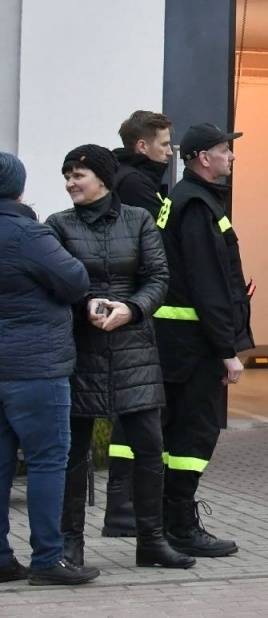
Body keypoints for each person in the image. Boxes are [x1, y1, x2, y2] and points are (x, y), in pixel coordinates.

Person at [46, 145, 193, 571]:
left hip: (134, 350)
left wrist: (132, 309)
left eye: (79, 174)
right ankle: (70, 545)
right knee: (74, 454)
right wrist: (86, 304)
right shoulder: (58, 225)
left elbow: (157, 276)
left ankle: (151, 541)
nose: (71, 182)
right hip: (81, 351)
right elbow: (56, 281)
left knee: (149, 448)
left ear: (104, 178)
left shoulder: (140, 219)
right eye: (67, 175)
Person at [154, 123, 252, 558]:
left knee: (177, 435)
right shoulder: (196, 205)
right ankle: (179, 526)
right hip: (193, 346)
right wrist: (226, 349)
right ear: (201, 158)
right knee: (193, 437)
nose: (231, 157)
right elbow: (208, 283)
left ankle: (167, 522)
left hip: (180, 342)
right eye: (223, 150)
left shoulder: (188, 199)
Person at [0, 152, 97, 587]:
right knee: (46, 462)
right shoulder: (28, 234)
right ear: (18, 188)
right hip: (35, 369)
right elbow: (75, 281)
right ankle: (48, 558)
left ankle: (1, 559)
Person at [101, 108, 175, 538]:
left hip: (135, 308)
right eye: (164, 144)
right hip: (135, 313)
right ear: (142, 145)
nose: (169, 152)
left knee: (133, 411)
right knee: (134, 413)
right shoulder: (134, 184)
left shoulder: (138, 180)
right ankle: (124, 508)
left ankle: (124, 509)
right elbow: (152, 250)